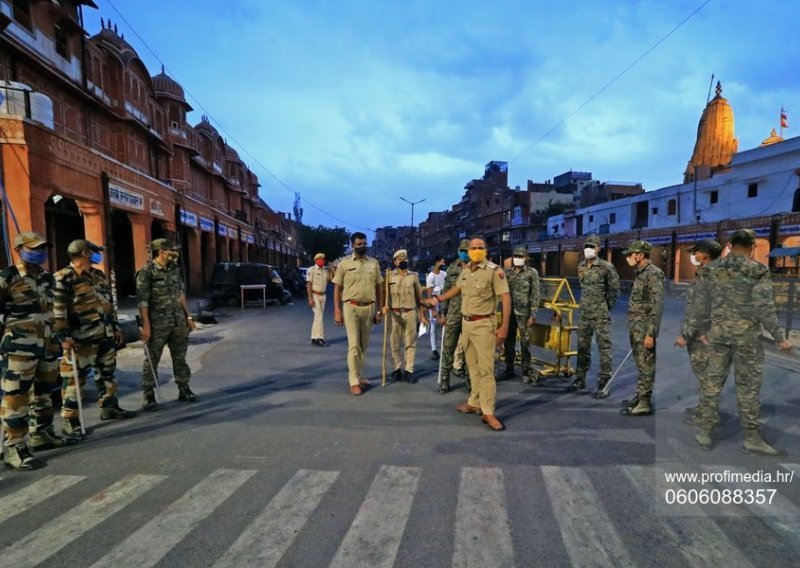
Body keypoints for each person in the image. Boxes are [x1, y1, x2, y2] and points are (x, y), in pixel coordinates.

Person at [685, 229, 792, 454]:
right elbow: (765, 308)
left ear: (730, 245)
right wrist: (779, 338)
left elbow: (700, 306)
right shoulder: (757, 271)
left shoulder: (711, 270)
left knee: (712, 384)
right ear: (752, 247)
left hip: (717, 337)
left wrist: (698, 331)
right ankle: (751, 438)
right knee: (748, 389)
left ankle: (705, 432)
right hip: (747, 340)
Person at [1, 232, 78, 470]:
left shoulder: (47, 278)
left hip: (47, 346)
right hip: (19, 349)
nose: (40, 252)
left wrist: (63, 337)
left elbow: (55, 312)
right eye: (34, 248)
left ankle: (41, 434)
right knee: (16, 397)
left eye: (43, 248)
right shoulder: (7, 277)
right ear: (19, 250)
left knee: (43, 394)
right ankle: (14, 448)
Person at [425, 236, 511, 431]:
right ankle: (474, 402)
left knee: (486, 370)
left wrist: (504, 327)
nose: (476, 250)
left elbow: (505, 298)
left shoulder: (494, 272)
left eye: (480, 247)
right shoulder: (466, 271)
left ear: (486, 250)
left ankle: (488, 412)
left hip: (484, 325)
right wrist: (436, 300)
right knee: (471, 366)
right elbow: (456, 289)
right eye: (473, 247)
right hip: (467, 324)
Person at [54, 239, 136, 437]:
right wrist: (63, 337)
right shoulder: (63, 278)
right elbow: (57, 311)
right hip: (81, 339)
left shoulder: (97, 275)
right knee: (75, 380)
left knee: (107, 374)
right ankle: (71, 420)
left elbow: (108, 303)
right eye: (95, 251)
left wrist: (115, 327)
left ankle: (109, 407)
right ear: (85, 254)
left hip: (104, 335)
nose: (99, 255)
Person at [136, 238, 198, 412]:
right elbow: (143, 302)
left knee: (180, 357)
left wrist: (189, 317)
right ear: (161, 251)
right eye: (171, 250)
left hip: (178, 321)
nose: (174, 253)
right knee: (152, 359)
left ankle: (184, 389)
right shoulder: (146, 272)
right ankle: (148, 395)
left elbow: (180, 295)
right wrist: (146, 326)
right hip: (157, 325)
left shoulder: (174, 270)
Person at [674, 239, 722, 419]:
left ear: (706, 254)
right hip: (712, 332)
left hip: (704, 335)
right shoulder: (720, 272)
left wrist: (686, 335)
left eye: (696, 252)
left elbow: (700, 309)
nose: (694, 256)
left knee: (706, 376)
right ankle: (704, 408)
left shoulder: (708, 274)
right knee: (708, 375)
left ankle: (708, 415)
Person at [333, 232, 384, 396]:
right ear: (352, 245)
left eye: (364, 243)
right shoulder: (344, 264)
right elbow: (337, 289)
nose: (362, 246)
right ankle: (354, 381)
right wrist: (337, 311)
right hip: (351, 307)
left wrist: (380, 309)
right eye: (359, 244)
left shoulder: (374, 263)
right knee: (354, 345)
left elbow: (379, 288)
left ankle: (361, 376)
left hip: (369, 307)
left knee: (363, 346)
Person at [570, 235, 620, 397]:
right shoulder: (581, 266)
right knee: (582, 348)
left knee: (604, 349)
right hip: (584, 314)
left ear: (599, 248)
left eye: (592, 246)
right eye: (586, 246)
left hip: (600, 315)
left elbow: (614, 290)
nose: (588, 249)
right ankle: (580, 378)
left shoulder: (606, 267)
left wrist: (605, 307)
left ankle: (604, 383)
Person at [620, 240, 664, 417]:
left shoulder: (653, 274)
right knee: (641, 363)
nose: (628, 258)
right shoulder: (640, 273)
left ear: (639, 255)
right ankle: (641, 395)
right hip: (636, 327)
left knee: (646, 364)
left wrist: (651, 334)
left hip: (645, 329)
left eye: (630, 255)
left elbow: (657, 305)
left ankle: (645, 401)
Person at [383, 249, 425, 383]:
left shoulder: (413, 276)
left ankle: (409, 370)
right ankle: (397, 369)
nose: (403, 261)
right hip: (394, 313)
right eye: (400, 259)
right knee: (394, 343)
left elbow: (419, 297)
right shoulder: (389, 276)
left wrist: (422, 314)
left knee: (410, 343)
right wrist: (383, 308)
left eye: (405, 259)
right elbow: (385, 296)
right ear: (395, 262)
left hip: (410, 312)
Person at [437, 240, 471, 394]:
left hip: (471, 315)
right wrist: (443, 313)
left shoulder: (476, 268)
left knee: (471, 351)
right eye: (462, 250)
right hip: (453, 314)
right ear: (458, 251)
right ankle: (444, 380)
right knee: (448, 349)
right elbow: (446, 292)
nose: (464, 253)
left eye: (467, 250)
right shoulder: (452, 269)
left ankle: (471, 382)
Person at [502, 246, 540, 381]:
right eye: (515, 256)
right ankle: (509, 369)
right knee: (508, 342)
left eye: (520, 256)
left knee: (525, 343)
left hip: (524, 314)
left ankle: (525, 371)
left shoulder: (531, 273)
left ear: (525, 258)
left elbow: (535, 295)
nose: (517, 259)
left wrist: (533, 315)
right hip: (509, 313)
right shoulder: (508, 273)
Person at [307, 252, 334, 347]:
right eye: (319, 259)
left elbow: (330, 280)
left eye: (323, 259)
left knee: (317, 317)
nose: (321, 261)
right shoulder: (312, 270)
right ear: (315, 260)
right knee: (319, 317)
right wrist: (310, 298)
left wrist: (331, 270)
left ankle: (314, 337)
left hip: (323, 295)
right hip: (315, 295)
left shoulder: (325, 270)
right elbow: (309, 285)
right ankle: (320, 338)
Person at [426, 256, 446, 360]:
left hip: (444, 300)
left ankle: (445, 348)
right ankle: (434, 349)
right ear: (437, 262)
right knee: (433, 325)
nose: (443, 264)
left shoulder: (444, 274)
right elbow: (429, 293)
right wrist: (432, 308)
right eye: (442, 262)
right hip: (434, 301)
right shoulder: (430, 276)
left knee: (444, 324)